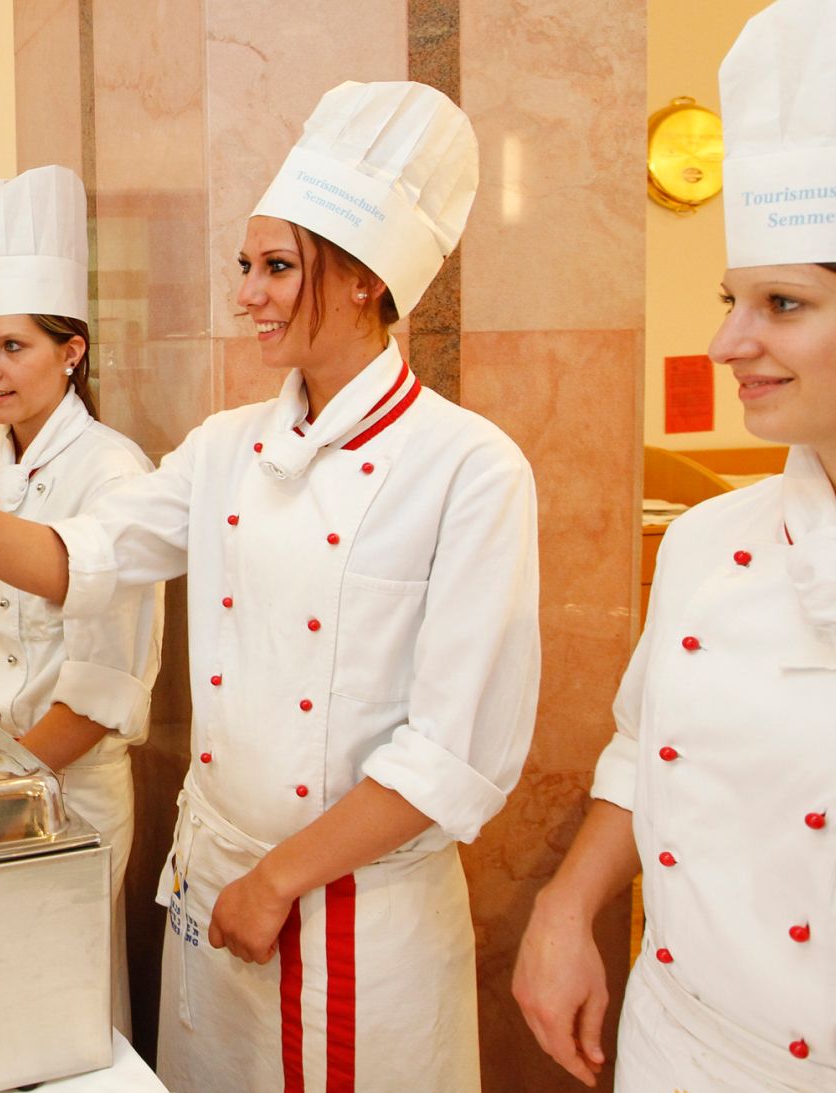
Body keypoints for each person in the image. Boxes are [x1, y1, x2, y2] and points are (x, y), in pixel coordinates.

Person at [0, 82, 540, 1090]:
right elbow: (81, 559)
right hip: (216, 880)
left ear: (364, 281)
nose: (246, 294)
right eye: (245, 266)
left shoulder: (467, 468)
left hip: (357, 912)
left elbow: (452, 756)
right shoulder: (227, 448)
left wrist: (280, 877)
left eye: (276, 268)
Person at [512, 2, 836, 1087]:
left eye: (780, 305)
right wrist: (564, 907)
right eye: (729, 299)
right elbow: (642, 748)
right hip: (677, 1045)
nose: (724, 343)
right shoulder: (704, 540)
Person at [0, 165, 162, 1036]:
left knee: (54, 1009)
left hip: (61, 792)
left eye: (13, 347)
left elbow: (100, 689)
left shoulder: (115, 474)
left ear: (73, 350)